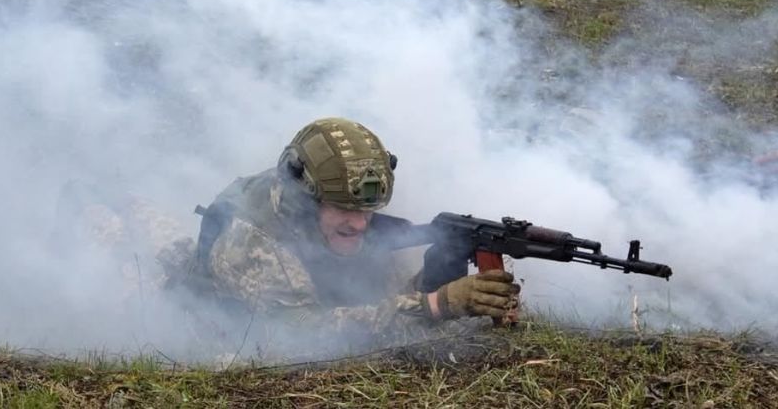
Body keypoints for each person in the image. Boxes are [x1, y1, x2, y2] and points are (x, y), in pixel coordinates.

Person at [171, 117, 520, 345]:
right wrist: (438, 305)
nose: (359, 223)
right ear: (304, 200)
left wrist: (439, 275)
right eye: (343, 209)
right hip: (212, 325)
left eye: (367, 210)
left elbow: (379, 303)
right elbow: (303, 337)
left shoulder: (334, 203)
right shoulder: (255, 244)